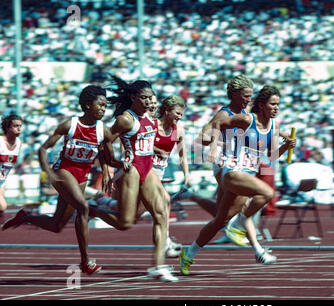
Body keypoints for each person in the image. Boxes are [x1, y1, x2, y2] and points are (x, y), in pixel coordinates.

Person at [180, 84, 296, 275]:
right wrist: (215, 149)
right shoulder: (245, 119)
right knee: (267, 193)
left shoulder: (275, 126)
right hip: (232, 171)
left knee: (219, 220)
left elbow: (270, 157)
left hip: (246, 175)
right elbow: (218, 124)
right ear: (261, 104)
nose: (276, 108)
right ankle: (240, 225)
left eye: (278, 105)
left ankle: (189, 254)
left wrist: (286, 146)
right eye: (273, 104)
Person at [2, 85, 110, 274]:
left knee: (56, 225)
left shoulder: (103, 131)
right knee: (83, 207)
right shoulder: (70, 125)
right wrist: (48, 172)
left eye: (106, 105)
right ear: (87, 105)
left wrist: (114, 169)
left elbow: (106, 156)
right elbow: (43, 148)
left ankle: (25, 216)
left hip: (82, 175)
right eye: (100, 104)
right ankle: (86, 261)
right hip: (63, 171)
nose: (103, 109)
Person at [90, 75, 178, 282]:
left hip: (148, 168)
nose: (148, 102)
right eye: (144, 98)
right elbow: (104, 141)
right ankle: (91, 209)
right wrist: (110, 165)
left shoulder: (150, 117)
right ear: (133, 97)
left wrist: (158, 150)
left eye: (151, 97)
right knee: (125, 223)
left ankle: (158, 266)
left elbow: (145, 141)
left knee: (161, 214)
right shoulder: (126, 119)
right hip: (132, 171)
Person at [0, 114, 23, 223]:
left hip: (3, 180)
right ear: (7, 128)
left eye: (20, 126)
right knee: (3, 206)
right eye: (15, 126)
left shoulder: (19, 143)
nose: (19, 129)